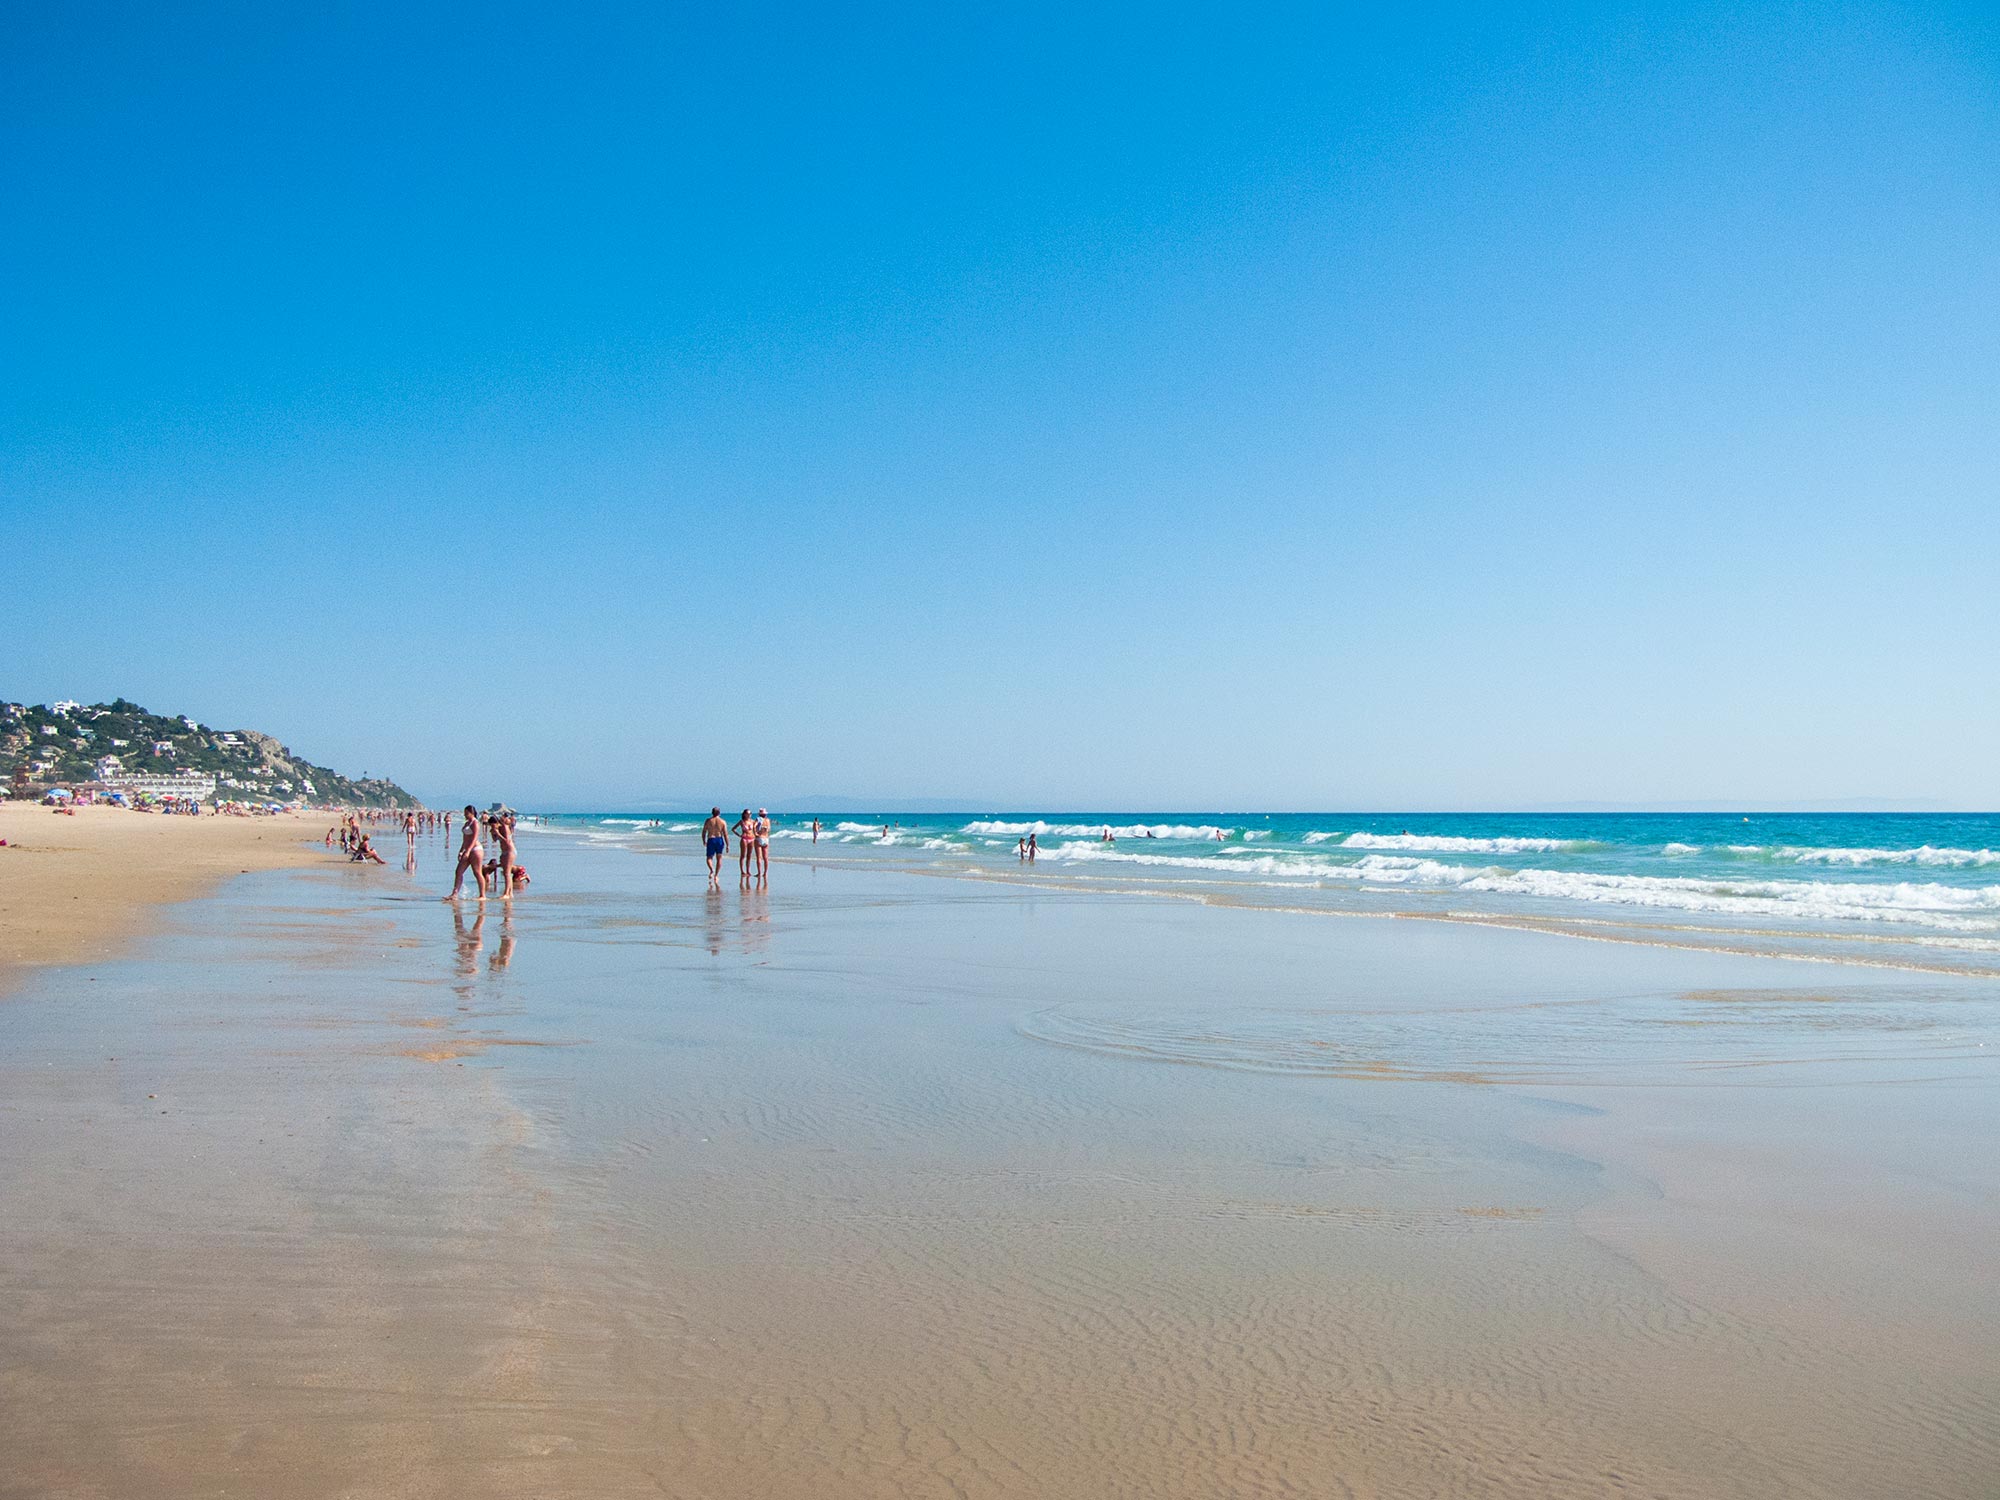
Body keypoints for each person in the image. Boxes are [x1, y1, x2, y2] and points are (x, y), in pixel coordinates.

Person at [447, 804, 486, 901]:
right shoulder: (467, 823)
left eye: (467, 813)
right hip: (467, 849)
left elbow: (474, 838)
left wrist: (468, 851)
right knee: (458, 871)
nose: (465, 815)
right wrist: (461, 850)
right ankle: (454, 894)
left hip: (475, 850)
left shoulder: (475, 823)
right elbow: (465, 839)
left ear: (472, 813)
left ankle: (482, 895)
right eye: (464, 813)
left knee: (477, 872)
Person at [493, 811, 518, 899]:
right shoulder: (499, 828)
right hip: (505, 852)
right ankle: (510, 893)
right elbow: (495, 840)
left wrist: (498, 833)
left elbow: (506, 840)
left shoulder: (505, 827)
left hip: (510, 851)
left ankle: (506, 893)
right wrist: (494, 833)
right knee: (506, 873)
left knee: (507, 873)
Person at [702, 807, 728, 886]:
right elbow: (725, 834)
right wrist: (727, 844)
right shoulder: (722, 822)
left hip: (711, 839)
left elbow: (704, 832)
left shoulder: (708, 821)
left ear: (712, 813)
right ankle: (716, 875)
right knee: (719, 858)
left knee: (709, 857)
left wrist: (704, 840)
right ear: (719, 813)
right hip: (719, 840)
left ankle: (711, 870)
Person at [736, 809, 756, 881]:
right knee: (743, 855)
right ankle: (742, 871)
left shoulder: (753, 821)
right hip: (744, 838)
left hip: (751, 838)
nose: (749, 815)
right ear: (744, 814)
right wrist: (739, 835)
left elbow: (755, 830)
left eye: (750, 813)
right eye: (748, 813)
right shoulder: (742, 822)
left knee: (749, 855)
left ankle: (748, 870)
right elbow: (733, 829)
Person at [754, 809, 771, 880]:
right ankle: (765, 873)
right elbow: (769, 829)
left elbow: (754, 826)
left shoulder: (758, 819)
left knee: (759, 857)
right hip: (766, 838)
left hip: (759, 838)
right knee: (766, 857)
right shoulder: (768, 820)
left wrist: (755, 833)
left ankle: (759, 872)